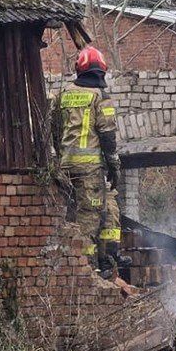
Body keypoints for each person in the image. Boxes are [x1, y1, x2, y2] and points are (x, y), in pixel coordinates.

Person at [51, 44, 122, 274]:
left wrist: (61, 158)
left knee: (71, 217)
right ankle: (87, 276)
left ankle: (96, 265)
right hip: (89, 170)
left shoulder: (63, 94)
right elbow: (108, 136)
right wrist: (114, 166)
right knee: (89, 221)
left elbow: (54, 130)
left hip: (65, 168)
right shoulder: (101, 96)